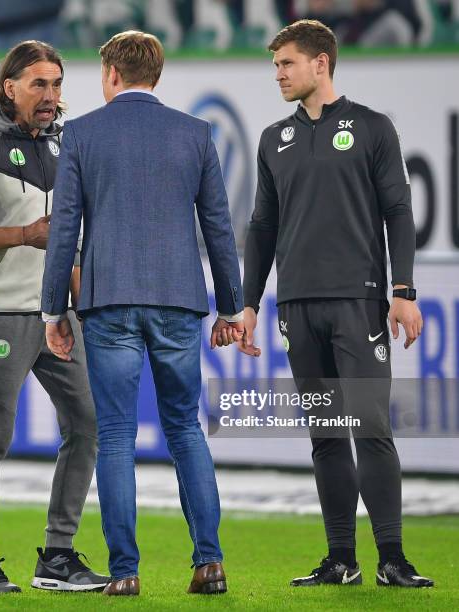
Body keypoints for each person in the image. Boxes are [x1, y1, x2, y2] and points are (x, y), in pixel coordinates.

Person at [40, 30, 244, 596]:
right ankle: (210, 563)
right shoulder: (196, 134)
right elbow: (220, 230)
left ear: (111, 75)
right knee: (185, 428)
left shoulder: (81, 134)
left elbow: (65, 233)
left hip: (109, 304)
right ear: (155, 75)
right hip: (179, 300)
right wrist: (232, 306)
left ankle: (125, 573)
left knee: (117, 436)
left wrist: (52, 310)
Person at [240, 19, 434, 588]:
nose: (278, 74)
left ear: (320, 63)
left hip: (360, 301)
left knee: (371, 429)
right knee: (326, 433)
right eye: (275, 65)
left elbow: (398, 212)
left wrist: (403, 292)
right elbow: (262, 225)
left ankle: (392, 559)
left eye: (287, 64)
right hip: (297, 306)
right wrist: (249, 304)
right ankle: (340, 558)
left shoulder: (372, 128)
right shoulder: (274, 138)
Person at [0, 40, 109, 595]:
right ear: (9, 87)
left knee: (86, 427)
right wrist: (24, 236)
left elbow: (71, 242)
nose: (51, 97)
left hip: (58, 316)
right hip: (0, 315)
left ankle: (57, 557)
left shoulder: (64, 145)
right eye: (39, 84)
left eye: (57, 85)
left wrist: (85, 303)